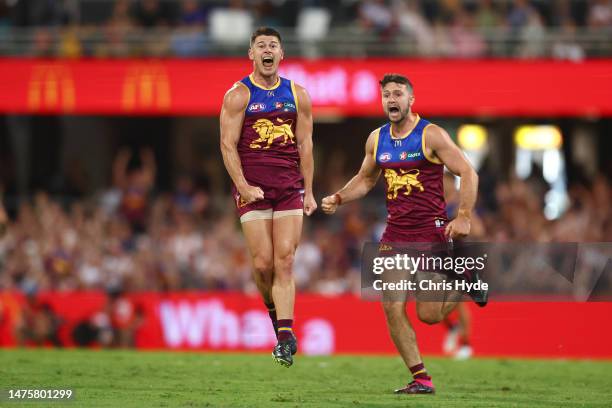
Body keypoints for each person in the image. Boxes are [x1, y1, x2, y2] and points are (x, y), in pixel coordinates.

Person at [321, 74, 487, 394]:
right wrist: (339, 196)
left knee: (428, 315)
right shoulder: (376, 139)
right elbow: (365, 179)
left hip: (430, 233)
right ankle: (421, 378)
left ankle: (466, 280)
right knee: (391, 305)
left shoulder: (431, 135)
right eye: (386, 95)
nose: (392, 99)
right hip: (396, 236)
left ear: (411, 99)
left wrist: (464, 215)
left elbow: (468, 172)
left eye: (398, 93)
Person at [220, 27, 316, 367]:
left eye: (273, 45)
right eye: (261, 45)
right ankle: (275, 313)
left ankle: (286, 336)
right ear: (251, 54)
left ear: (281, 54)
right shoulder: (238, 95)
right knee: (262, 264)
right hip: (253, 189)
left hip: (289, 187)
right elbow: (227, 145)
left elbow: (305, 144)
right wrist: (244, 186)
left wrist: (310, 190)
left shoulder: (298, 94)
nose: (267, 50)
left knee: (285, 260)